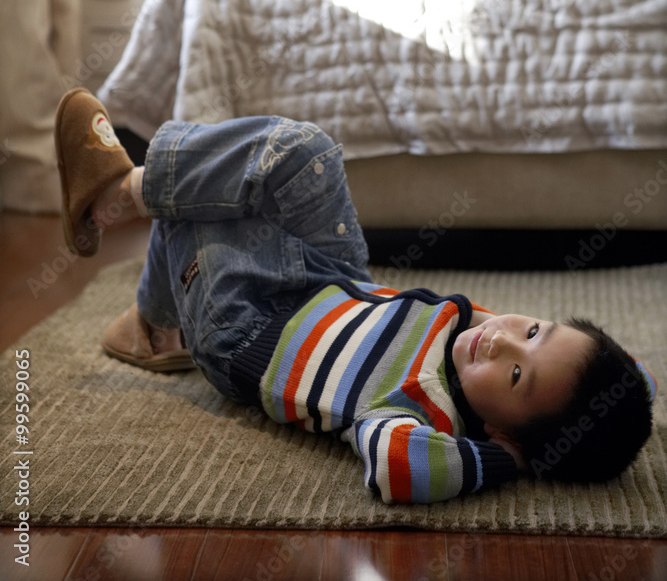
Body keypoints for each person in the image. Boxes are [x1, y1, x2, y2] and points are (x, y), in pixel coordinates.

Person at [55, 88, 656, 503]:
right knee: (303, 154)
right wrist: (624, 384)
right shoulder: (483, 337)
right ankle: (136, 213)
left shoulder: (423, 414)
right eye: (533, 331)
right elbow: (618, 376)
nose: (501, 341)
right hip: (330, 279)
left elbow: (399, 472)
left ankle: (146, 285)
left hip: (244, 330)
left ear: (502, 434)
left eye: (517, 377)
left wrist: (514, 462)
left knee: (212, 216)